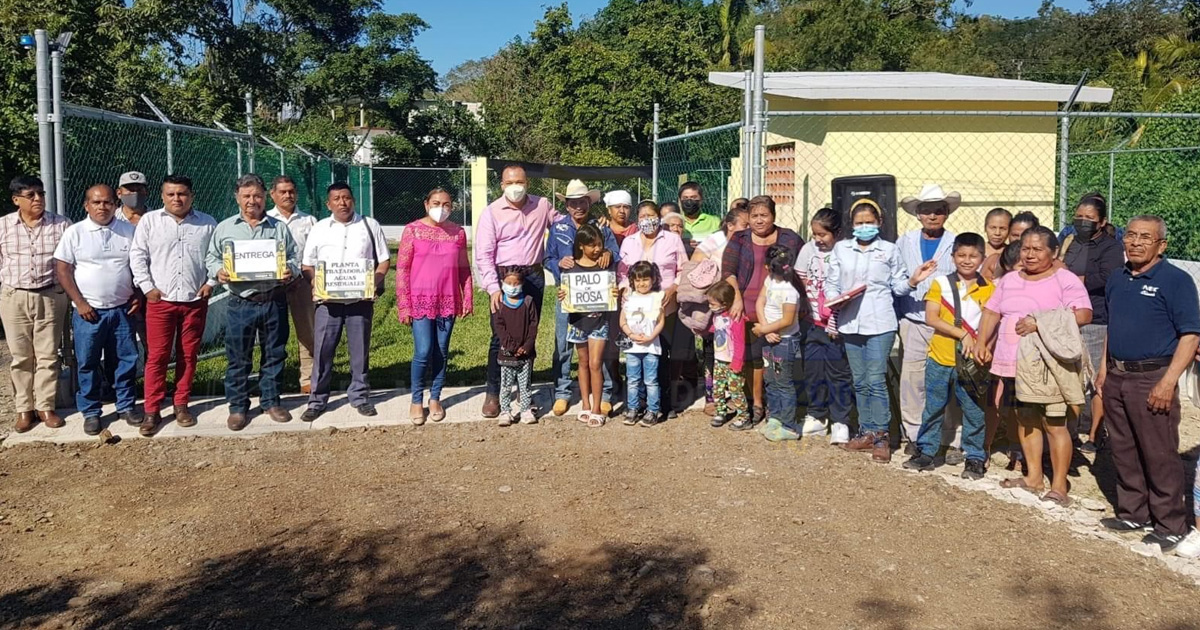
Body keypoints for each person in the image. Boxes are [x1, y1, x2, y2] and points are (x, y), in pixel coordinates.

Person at [1097, 215, 1199, 554]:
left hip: (1153, 378)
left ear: (1161, 245)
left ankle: (1170, 524)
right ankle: (1133, 513)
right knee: (1123, 449)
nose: (1136, 242)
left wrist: (1169, 381)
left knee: (1159, 453)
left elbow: (1190, 335)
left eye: (1146, 237)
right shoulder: (1117, 278)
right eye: (1131, 235)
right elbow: (1113, 326)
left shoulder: (1176, 281)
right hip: (1117, 375)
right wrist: (1103, 369)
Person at [976, 226, 1092, 506]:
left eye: (1037, 249)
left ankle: (1060, 485)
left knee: (1054, 423)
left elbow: (1085, 314)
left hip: (1048, 365)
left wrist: (1041, 321)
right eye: (1026, 248)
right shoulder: (1010, 279)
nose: (1030, 254)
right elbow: (992, 310)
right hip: (1012, 362)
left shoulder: (1065, 280)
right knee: (1026, 419)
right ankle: (1034, 477)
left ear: (1053, 253)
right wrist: (982, 341)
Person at [835, 200, 934, 463]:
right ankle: (866, 431)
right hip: (850, 321)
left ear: (879, 223)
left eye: (869, 221)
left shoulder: (889, 250)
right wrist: (835, 299)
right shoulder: (841, 249)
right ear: (852, 225)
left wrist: (913, 280)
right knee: (860, 380)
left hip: (880, 323)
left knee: (876, 379)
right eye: (859, 223)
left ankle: (882, 436)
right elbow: (832, 284)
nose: (864, 226)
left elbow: (898, 286)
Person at [207, 174, 300, 431]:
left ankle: (271, 401)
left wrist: (290, 269)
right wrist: (218, 272)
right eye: (246, 196)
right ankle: (237, 407)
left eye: (257, 196)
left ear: (264, 198)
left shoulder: (278, 228)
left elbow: (294, 256)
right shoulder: (225, 228)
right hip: (241, 302)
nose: (252, 201)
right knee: (238, 357)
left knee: (275, 353)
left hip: (273, 299)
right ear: (237, 198)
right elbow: (211, 257)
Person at [129, 174, 216, 436]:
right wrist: (147, 288)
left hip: (193, 301)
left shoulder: (207, 223)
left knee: (188, 355)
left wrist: (210, 282)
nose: (177, 199)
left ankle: (181, 404)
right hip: (161, 301)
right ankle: (152, 410)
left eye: (182, 194)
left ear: (191, 196)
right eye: (171, 194)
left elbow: (217, 256)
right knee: (157, 356)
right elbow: (138, 256)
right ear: (162, 196)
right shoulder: (150, 221)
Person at [902, 233, 994, 479]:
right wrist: (962, 334)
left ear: (982, 258)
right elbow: (932, 318)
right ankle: (927, 451)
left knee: (973, 409)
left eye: (973, 256)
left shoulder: (989, 288)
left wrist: (983, 346)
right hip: (940, 357)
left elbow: (992, 321)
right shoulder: (940, 284)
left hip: (972, 362)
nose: (967, 260)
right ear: (953, 257)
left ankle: (974, 456)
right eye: (961, 255)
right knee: (933, 406)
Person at [299, 182, 390, 422]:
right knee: (322, 351)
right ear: (328, 204)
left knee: (359, 352)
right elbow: (307, 265)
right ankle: (317, 400)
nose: (342, 202)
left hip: (360, 301)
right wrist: (314, 283)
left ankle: (359, 396)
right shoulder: (319, 229)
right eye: (337, 199)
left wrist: (374, 281)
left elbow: (383, 261)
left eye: (347, 197)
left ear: (353, 200)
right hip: (327, 303)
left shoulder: (369, 226)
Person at [53, 185, 139, 435]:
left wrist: (138, 295)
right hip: (88, 313)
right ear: (86, 205)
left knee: (125, 360)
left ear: (115, 204)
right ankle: (91, 412)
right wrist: (80, 303)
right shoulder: (75, 233)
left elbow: (139, 265)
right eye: (97, 202)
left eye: (108, 202)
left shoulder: (128, 231)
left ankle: (125, 406)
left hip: (123, 310)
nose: (102, 207)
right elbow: (63, 270)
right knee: (88, 363)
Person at [474, 165, 560, 418]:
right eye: (510, 182)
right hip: (504, 277)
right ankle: (493, 392)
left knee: (528, 334)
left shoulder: (542, 205)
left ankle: (525, 392)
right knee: (500, 335)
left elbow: (563, 225)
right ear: (502, 185)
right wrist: (492, 288)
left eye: (520, 181)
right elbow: (484, 254)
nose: (516, 187)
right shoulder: (491, 213)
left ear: (527, 183)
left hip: (533, 275)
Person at [720, 195, 804, 428]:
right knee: (749, 358)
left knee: (771, 362)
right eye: (754, 216)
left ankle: (773, 407)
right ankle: (753, 403)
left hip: (779, 310)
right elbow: (728, 269)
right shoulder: (740, 238)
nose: (759, 220)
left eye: (764, 215)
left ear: (773, 216)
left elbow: (803, 269)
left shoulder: (789, 238)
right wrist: (736, 298)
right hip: (746, 305)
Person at [0, 175, 71, 433]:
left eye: (41, 194)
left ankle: (45, 407)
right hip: (14, 297)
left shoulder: (61, 225)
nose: (38, 199)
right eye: (31, 195)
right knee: (20, 357)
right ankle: (23, 410)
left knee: (48, 355)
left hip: (50, 296)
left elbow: (69, 262)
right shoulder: (3, 226)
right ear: (16, 199)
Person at [396, 187, 472, 425]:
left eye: (447, 204)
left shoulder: (457, 233)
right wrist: (404, 305)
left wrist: (467, 296)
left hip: (447, 300)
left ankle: (435, 397)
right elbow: (402, 269)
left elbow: (463, 268)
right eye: (437, 203)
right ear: (426, 204)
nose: (442, 208)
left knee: (441, 351)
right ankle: (416, 400)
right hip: (420, 301)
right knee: (423, 351)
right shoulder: (413, 231)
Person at [896, 184, 960, 458]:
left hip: (945, 324)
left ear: (946, 213)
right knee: (912, 380)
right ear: (918, 214)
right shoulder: (904, 242)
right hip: (913, 319)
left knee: (949, 380)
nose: (932, 216)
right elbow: (896, 279)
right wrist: (911, 283)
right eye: (926, 211)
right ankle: (914, 434)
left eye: (938, 211)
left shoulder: (957, 243)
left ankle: (951, 438)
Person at [544, 180, 616, 418]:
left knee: (599, 347)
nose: (578, 207)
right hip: (569, 295)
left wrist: (607, 253)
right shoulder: (557, 229)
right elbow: (547, 258)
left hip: (597, 298)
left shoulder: (602, 227)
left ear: (589, 203)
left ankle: (604, 395)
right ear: (567, 206)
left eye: (582, 202)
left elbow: (616, 253)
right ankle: (563, 393)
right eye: (573, 203)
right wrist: (557, 264)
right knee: (564, 345)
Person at [1060, 193, 1124, 452]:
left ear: (1102, 221)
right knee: (1070, 378)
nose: (1083, 221)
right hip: (1067, 318)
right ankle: (1070, 433)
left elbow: (1106, 278)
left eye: (1089, 218)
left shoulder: (1111, 247)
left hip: (1097, 320)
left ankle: (1095, 434)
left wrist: (1071, 281)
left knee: (1096, 381)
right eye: (1079, 217)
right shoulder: (1069, 241)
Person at [617, 200, 689, 415]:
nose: (647, 220)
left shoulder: (673, 239)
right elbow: (622, 273)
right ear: (637, 220)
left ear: (659, 217)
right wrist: (624, 290)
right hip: (636, 312)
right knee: (637, 356)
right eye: (642, 216)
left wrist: (673, 289)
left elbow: (683, 269)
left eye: (651, 215)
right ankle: (637, 403)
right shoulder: (629, 242)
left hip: (664, 308)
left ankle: (663, 403)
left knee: (662, 354)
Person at [796, 208, 853, 445]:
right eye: (815, 234)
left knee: (838, 373)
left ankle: (841, 420)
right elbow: (800, 278)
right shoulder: (808, 250)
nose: (818, 239)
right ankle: (817, 415)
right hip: (812, 322)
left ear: (837, 232)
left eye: (823, 235)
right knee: (813, 371)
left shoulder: (846, 250)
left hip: (837, 324)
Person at [692, 207, 750, 414]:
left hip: (740, 303)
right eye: (744, 225)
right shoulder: (717, 239)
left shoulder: (749, 242)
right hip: (717, 302)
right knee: (713, 349)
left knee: (738, 348)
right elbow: (696, 258)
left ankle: (739, 396)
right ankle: (713, 397)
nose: (748, 229)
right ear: (730, 225)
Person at [558, 224, 617, 427]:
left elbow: (611, 289)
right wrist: (562, 295)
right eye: (592, 245)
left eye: (600, 244)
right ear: (581, 246)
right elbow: (564, 293)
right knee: (582, 364)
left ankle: (597, 408)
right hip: (577, 322)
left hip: (599, 322)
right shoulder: (570, 268)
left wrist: (614, 293)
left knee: (595, 363)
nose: (597, 249)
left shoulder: (605, 266)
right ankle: (584, 404)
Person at [267, 175, 318, 394]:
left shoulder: (309, 221)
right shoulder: (266, 219)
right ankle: (271, 380)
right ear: (272, 194)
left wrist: (305, 278)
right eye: (282, 191)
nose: (287, 195)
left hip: (302, 283)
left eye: (291, 191)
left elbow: (315, 253)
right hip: (272, 285)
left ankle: (308, 378)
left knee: (308, 332)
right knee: (273, 334)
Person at [754, 245, 804, 442]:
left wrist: (762, 329)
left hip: (785, 341)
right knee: (771, 379)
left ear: (767, 266)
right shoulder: (770, 281)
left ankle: (789, 425)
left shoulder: (790, 291)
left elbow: (787, 320)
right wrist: (766, 329)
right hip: (769, 338)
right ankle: (775, 417)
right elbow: (760, 302)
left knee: (783, 382)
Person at [493, 266, 540, 427]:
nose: (512, 287)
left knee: (525, 385)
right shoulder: (499, 304)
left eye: (516, 283)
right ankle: (505, 411)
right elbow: (499, 328)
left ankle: (525, 409)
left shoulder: (528, 302)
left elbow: (534, 325)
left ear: (522, 283)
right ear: (502, 283)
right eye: (509, 283)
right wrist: (512, 347)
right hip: (507, 354)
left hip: (526, 354)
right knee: (506, 385)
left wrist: (527, 345)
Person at [620, 261, 665, 427]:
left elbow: (661, 321)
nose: (642, 283)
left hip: (651, 347)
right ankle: (633, 408)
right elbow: (622, 321)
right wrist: (630, 334)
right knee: (632, 379)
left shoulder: (657, 297)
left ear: (653, 279)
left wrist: (651, 336)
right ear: (632, 281)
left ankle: (653, 410)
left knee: (651, 380)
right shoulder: (629, 299)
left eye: (646, 279)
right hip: (632, 348)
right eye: (637, 280)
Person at [707, 281, 748, 428]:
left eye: (712, 304)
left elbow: (739, 342)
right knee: (717, 387)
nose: (710, 306)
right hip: (719, 359)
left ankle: (743, 416)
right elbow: (718, 329)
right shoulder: (717, 316)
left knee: (735, 390)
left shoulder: (736, 318)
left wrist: (737, 362)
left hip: (732, 361)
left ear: (724, 303)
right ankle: (720, 412)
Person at [678, 182, 722, 251]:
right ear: (680, 200)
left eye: (693, 197)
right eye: (685, 198)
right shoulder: (675, 222)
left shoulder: (715, 221)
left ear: (701, 200)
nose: (689, 201)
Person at [980, 207, 1012, 281]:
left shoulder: (1011, 253)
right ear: (985, 228)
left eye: (1003, 228)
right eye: (993, 228)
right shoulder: (976, 251)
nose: (997, 233)